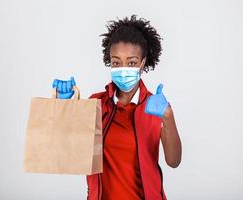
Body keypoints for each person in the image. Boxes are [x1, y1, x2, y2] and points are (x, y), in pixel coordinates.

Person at [52, 14, 182, 200]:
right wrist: (63, 106)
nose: (123, 69)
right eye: (116, 62)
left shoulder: (155, 107)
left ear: (142, 63)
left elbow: (174, 161)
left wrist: (167, 117)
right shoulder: (96, 104)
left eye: (131, 63)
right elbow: (69, 149)